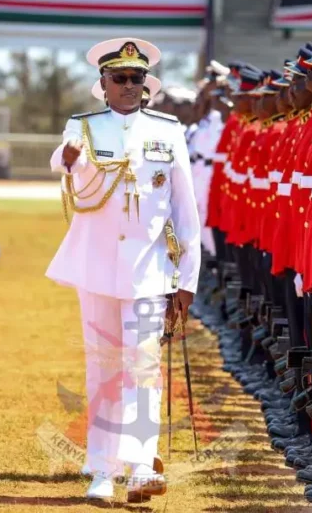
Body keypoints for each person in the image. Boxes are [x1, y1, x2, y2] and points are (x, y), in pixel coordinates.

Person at [46, 38, 201, 502]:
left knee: (143, 369)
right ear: (103, 84)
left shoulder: (169, 130)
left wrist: (187, 280)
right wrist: (66, 160)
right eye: (120, 79)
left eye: (137, 79)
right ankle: (101, 467)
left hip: (150, 269)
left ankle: (138, 465)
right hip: (96, 267)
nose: (129, 86)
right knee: (103, 370)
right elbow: (62, 160)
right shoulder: (84, 126)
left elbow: (185, 210)